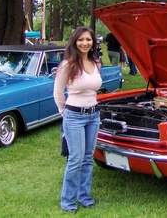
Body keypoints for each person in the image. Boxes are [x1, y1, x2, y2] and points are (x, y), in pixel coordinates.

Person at [53, 26, 102, 213]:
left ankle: (84, 196)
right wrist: (63, 112)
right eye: (81, 40)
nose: (85, 43)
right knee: (75, 159)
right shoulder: (68, 64)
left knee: (88, 158)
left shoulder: (96, 63)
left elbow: (94, 88)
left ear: (93, 42)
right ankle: (67, 200)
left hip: (94, 115)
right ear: (74, 42)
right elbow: (58, 91)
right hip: (73, 115)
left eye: (88, 40)